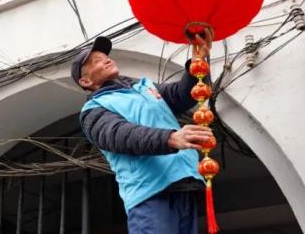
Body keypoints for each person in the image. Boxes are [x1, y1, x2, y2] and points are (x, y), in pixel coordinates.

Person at [72, 32, 214, 234]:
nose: (106, 60)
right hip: (149, 194)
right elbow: (122, 136)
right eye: (96, 62)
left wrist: (198, 61)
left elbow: (184, 94)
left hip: (184, 184)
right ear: (85, 82)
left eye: (106, 58)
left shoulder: (144, 88)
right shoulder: (94, 110)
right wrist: (172, 138)